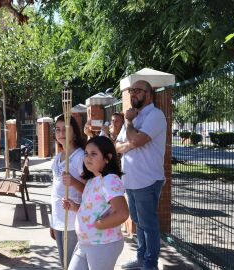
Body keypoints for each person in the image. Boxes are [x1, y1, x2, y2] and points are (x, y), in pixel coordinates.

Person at [116, 80, 167, 270]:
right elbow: (117, 146)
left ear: (149, 93)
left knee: (149, 224)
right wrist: (132, 143)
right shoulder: (135, 117)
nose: (133, 94)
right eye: (131, 90)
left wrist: (128, 124)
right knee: (139, 223)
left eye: (138, 90)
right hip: (131, 180)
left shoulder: (155, 115)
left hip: (147, 180)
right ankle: (141, 259)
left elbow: (136, 139)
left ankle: (150, 264)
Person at [63, 136, 129, 270]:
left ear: (107, 158)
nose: (88, 157)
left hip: (103, 244)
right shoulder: (92, 180)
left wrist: (98, 224)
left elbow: (122, 213)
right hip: (85, 243)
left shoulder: (110, 180)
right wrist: (75, 208)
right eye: (86, 153)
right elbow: (92, 208)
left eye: (94, 154)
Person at [50, 115, 86, 269]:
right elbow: (55, 191)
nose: (61, 133)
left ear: (75, 133)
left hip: (72, 220)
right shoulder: (58, 157)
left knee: (73, 264)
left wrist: (73, 182)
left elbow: (90, 191)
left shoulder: (80, 157)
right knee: (64, 263)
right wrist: (52, 222)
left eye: (65, 129)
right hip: (59, 219)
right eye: (58, 130)